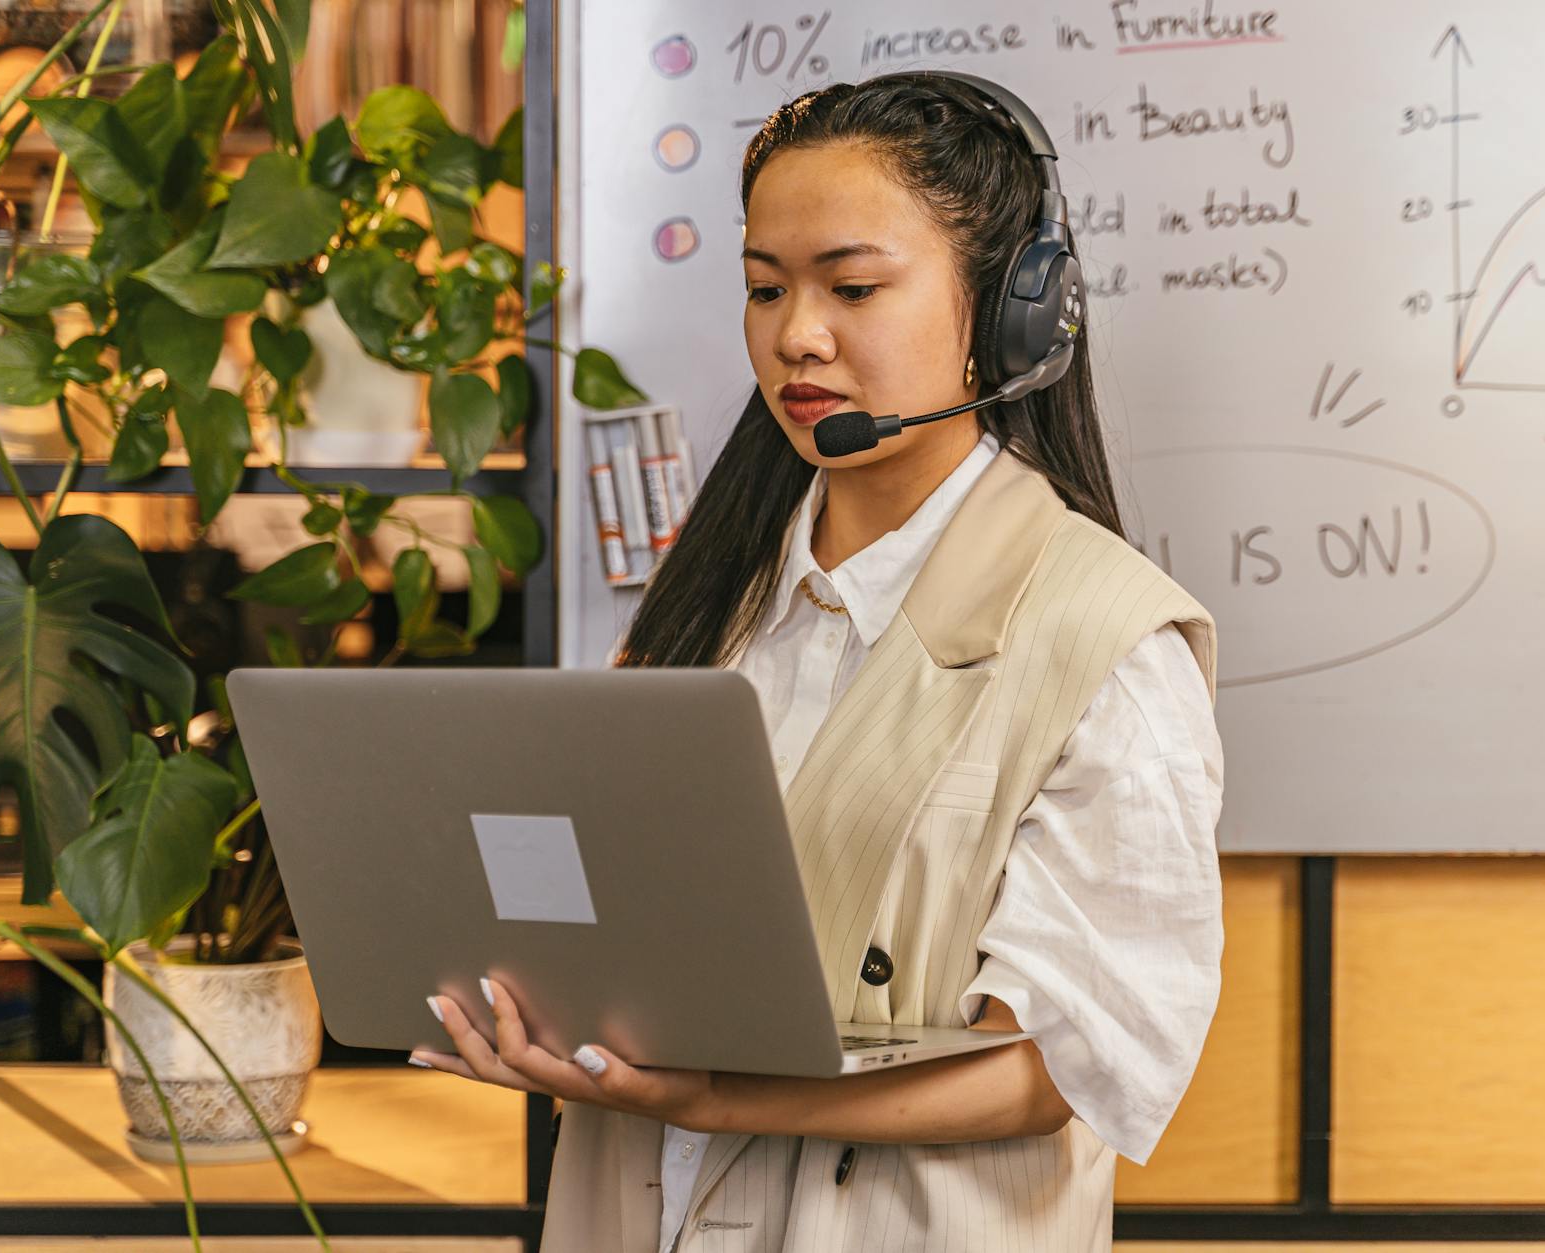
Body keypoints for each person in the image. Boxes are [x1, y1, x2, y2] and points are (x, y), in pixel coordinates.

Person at [414, 72, 1225, 1252]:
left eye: (850, 286)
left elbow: (1059, 1060)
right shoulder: (707, 606)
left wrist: (712, 1096)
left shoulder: (1105, 640)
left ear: (1007, 312)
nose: (795, 332)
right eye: (762, 287)